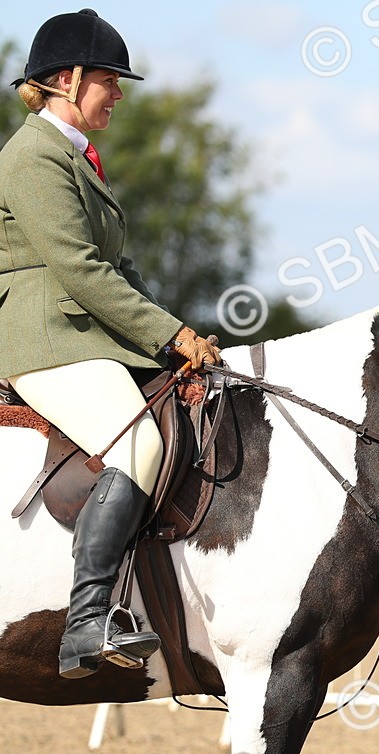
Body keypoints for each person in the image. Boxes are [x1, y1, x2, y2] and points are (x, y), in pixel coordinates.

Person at [0, 9, 222, 678]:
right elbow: (79, 269)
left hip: (84, 332)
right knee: (137, 441)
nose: (119, 94)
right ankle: (87, 621)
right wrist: (170, 334)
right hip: (44, 337)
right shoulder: (32, 156)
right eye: (109, 80)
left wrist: (174, 337)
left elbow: (118, 269)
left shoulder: (73, 156)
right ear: (67, 80)